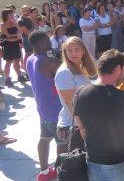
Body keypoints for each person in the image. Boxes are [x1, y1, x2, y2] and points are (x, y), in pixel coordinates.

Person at [74, 49, 124, 181]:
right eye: (123, 69)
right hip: (121, 160)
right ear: (118, 68)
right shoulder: (123, 96)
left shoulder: (80, 93)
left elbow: (81, 127)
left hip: (94, 160)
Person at [26, 30, 64, 181]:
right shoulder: (48, 62)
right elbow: (69, 69)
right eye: (47, 42)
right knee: (63, 141)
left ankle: (44, 171)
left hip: (42, 108)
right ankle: (62, 171)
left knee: (44, 138)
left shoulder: (30, 58)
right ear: (40, 44)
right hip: (56, 110)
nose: (50, 44)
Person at [55, 36, 97, 153]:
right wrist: (82, 126)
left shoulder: (79, 67)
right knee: (76, 167)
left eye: (77, 49)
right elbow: (69, 102)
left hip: (82, 121)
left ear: (83, 51)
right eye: (70, 50)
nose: (73, 53)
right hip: (73, 125)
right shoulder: (65, 72)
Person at [1, 9, 24, 86]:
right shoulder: (2, 24)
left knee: (17, 61)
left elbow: (20, 31)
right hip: (8, 45)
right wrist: (15, 36)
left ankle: (19, 75)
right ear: (6, 15)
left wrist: (16, 24)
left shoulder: (14, 22)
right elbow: (7, 36)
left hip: (15, 44)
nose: (12, 15)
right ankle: (7, 79)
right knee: (8, 62)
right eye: (10, 14)